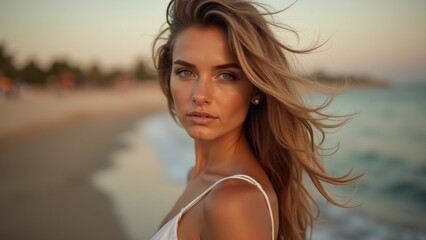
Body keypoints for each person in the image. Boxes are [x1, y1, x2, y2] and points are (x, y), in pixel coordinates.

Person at [151, 0, 359, 239]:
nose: (200, 95)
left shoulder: (232, 202)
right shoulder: (197, 178)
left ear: (256, 90)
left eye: (226, 75)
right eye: (186, 72)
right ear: (169, 76)